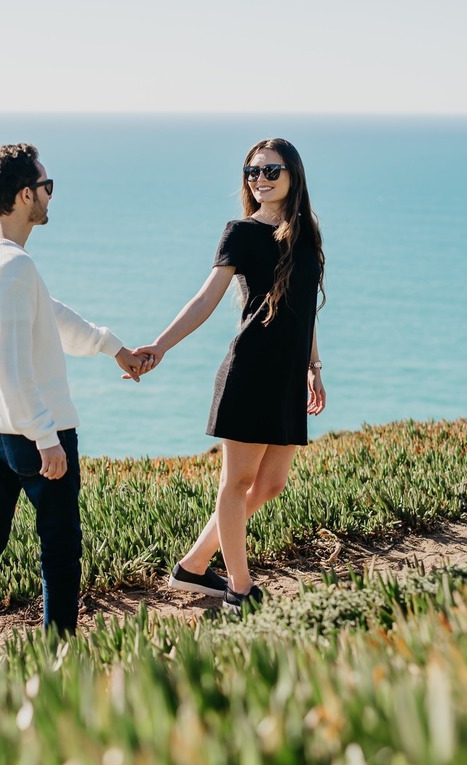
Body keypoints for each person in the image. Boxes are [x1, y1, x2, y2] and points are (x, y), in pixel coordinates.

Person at [0, 143, 147, 659]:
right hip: (31, 435)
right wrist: (46, 437)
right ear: (26, 194)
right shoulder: (14, 267)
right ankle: (60, 658)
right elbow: (14, 366)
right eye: (47, 186)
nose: (52, 194)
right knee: (59, 549)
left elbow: (47, 314)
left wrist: (110, 346)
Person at [136, 138, 326, 614]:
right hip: (250, 371)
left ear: (292, 174)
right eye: (251, 172)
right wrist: (159, 345)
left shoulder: (306, 233)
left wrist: (314, 367)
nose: (258, 180)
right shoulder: (240, 232)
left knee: (271, 485)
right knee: (237, 482)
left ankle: (194, 565)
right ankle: (240, 588)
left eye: (269, 171)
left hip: (287, 377)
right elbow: (205, 299)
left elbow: (306, 309)